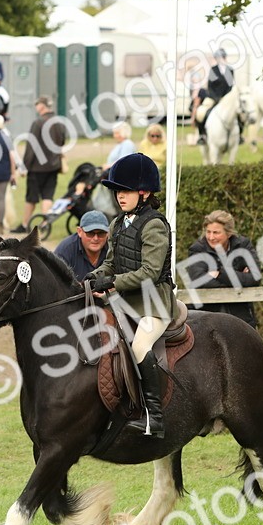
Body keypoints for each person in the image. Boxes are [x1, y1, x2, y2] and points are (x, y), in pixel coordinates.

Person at [86, 152, 174, 438]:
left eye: (125, 191)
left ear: (144, 193)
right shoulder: (117, 224)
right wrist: (95, 277)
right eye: (117, 191)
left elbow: (149, 271)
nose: (119, 197)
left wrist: (113, 281)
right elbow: (111, 263)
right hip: (123, 302)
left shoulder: (154, 225)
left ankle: (155, 417)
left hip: (153, 304)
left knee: (138, 348)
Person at [185, 210, 260, 329]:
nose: (211, 237)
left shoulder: (243, 245)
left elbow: (255, 278)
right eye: (208, 232)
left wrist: (220, 274)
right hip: (204, 320)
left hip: (241, 317)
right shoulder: (197, 249)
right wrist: (238, 280)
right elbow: (198, 280)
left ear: (229, 233)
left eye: (216, 233)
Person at [19, 96, 66, 229]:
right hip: (53, 166)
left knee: (31, 198)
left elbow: (31, 147)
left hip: (36, 168)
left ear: (42, 106)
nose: (36, 107)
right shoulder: (59, 122)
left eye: (37, 104)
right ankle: (45, 224)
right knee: (48, 196)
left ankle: (24, 225)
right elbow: (62, 142)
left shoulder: (38, 123)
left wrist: (24, 166)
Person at [54, 210, 110, 281]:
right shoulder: (65, 250)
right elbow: (54, 281)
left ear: (108, 233)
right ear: (79, 232)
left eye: (101, 233)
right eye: (90, 233)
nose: (96, 238)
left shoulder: (114, 248)